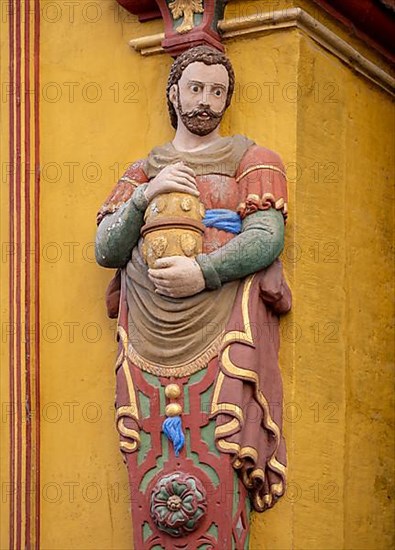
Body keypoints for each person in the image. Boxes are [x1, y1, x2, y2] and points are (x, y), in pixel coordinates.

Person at [96, 45, 291, 549]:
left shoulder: (253, 158)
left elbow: (266, 237)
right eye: (196, 88)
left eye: (217, 91)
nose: (206, 101)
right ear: (174, 92)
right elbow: (105, 247)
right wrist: (146, 194)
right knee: (154, 461)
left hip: (225, 331)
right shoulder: (144, 169)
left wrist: (202, 271)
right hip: (146, 334)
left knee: (218, 453)